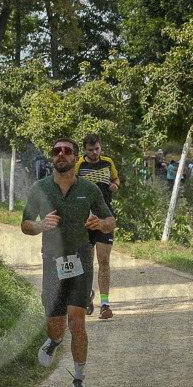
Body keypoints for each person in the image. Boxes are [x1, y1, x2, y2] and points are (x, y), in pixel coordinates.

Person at [22, 138, 115, 387]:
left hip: (81, 259)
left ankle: (79, 381)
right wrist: (40, 226)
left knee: (77, 322)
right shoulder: (40, 188)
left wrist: (100, 223)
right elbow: (25, 224)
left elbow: (110, 221)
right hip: (52, 260)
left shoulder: (90, 189)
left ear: (76, 158)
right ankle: (54, 341)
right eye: (56, 151)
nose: (60, 155)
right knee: (55, 324)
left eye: (66, 151)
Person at [74, 133, 120, 320]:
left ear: (101, 147)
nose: (94, 153)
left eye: (97, 149)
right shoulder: (78, 166)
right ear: (84, 150)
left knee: (104, 260)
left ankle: (105, 304)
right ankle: (87, 295)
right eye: (91, 150)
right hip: (84, 218)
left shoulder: (108, 162)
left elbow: (116, 179)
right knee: (86, 262)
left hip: (105, 216)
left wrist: (115, 185)